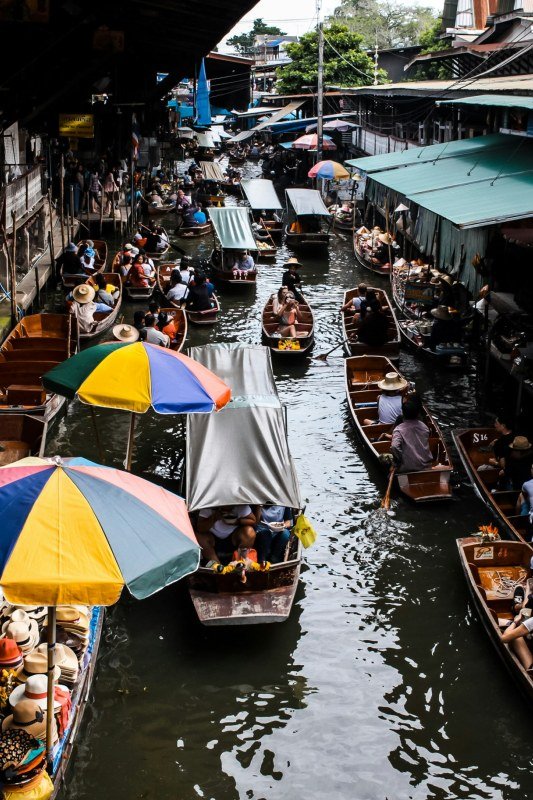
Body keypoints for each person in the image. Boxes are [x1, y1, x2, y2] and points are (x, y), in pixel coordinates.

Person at [390, 396, 433, 473]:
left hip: (407, 468)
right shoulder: (424, 427)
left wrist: (399, 460)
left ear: (403, 413)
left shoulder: (399, 429)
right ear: (417, 414)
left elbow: (394, 447)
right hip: (425, 465)